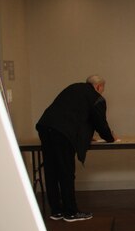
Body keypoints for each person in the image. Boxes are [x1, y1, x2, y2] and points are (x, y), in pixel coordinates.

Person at [36, 75, 115, 222]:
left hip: (45, 126)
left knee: (51, 170)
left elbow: (72, 113)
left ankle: (56, 211)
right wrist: (110, 138)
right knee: (66, 171)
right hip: (63, 133)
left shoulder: (74, 87)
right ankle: (71, 212)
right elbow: (100, 123)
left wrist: (84, 135)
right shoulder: (96, 97)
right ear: (98, 87)